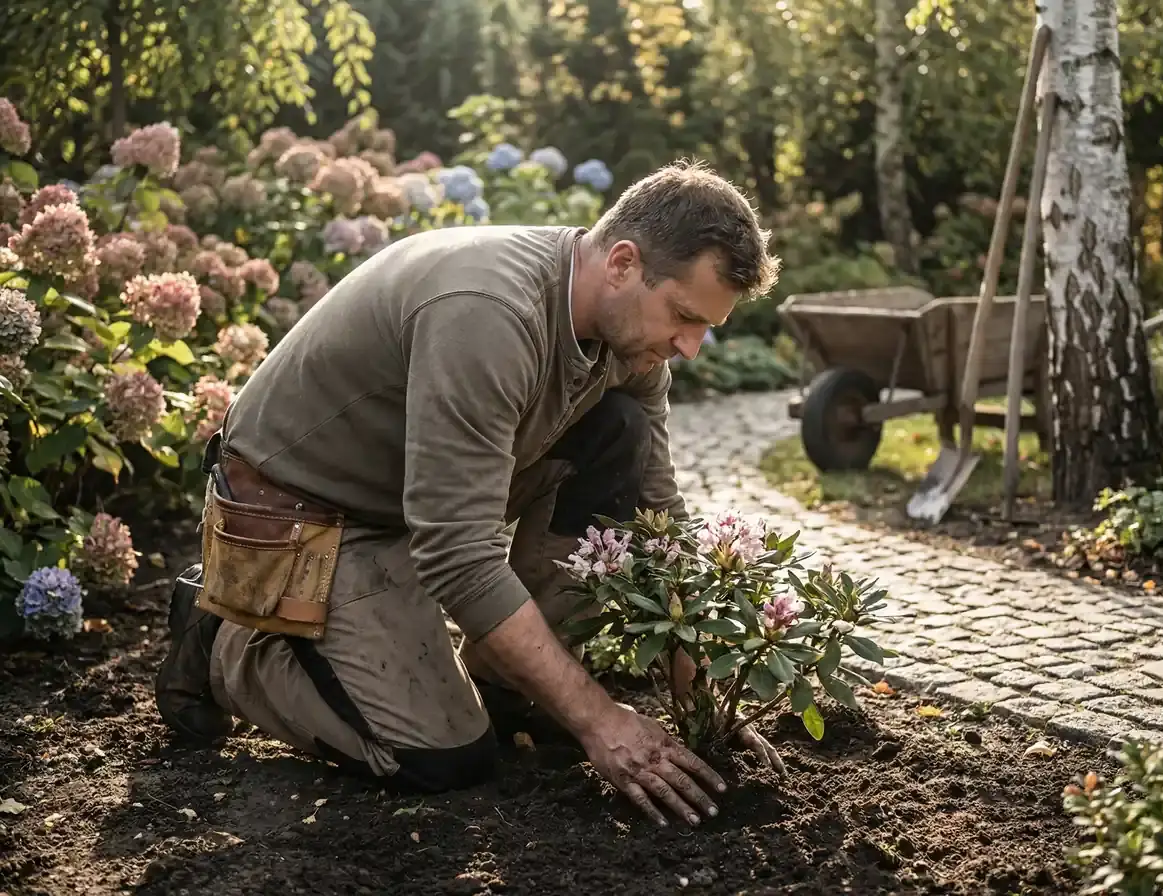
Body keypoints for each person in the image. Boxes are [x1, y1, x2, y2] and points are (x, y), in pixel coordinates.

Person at [154, 159, 782, 829]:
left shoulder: (629, 346)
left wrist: (702, 696)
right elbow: (458, 553)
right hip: (312, 515)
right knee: (443, 757)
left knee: (617, 433)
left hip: (412, 501)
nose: (690, 346)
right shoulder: (489, 314)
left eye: (705, 327)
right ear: (623, 264)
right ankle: (223, 638)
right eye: (683, 316)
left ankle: (503, 676)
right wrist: (600, 721)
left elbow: (658, 514)